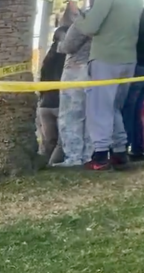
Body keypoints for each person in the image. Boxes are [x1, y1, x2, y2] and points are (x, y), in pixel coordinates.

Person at [75, 0, 143, 170]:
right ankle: (119, 151)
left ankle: (100, 155)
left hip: (105, 57)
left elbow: (90, 27)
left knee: (99, 106)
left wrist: (78, 16)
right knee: (114, 107)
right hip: (128, 59)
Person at [56, 1, 93, 167]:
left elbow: (68, 46)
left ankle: (73, 157)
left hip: (75, 69)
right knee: (90, 115)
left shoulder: (84, 20)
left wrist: (60, 42)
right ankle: (88, 156)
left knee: (70, 115)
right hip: (96, 70)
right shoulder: (108, 21)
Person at [38, 25, 68, 165]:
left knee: (48, 142)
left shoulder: (48, 58)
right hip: (60, 103)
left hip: (45, 104)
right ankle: (51, 167)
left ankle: (43, 166)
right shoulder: (68, 59)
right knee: (61, 143)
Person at [122, 7, 144, 160]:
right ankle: (138, 147)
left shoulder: (139, 16)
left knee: (129, 108)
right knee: (140, 110)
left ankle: (124, 146)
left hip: (137, 66)